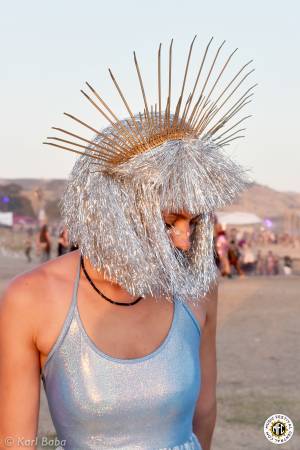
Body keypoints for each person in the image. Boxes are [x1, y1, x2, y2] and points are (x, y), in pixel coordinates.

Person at [0, 36, 254, 450]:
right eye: (169, 221)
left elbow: (204, 413)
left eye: (194, 220)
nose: (185, 239)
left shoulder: (198, 288)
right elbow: (12, 441)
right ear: (117, 209)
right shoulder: (30, 300)